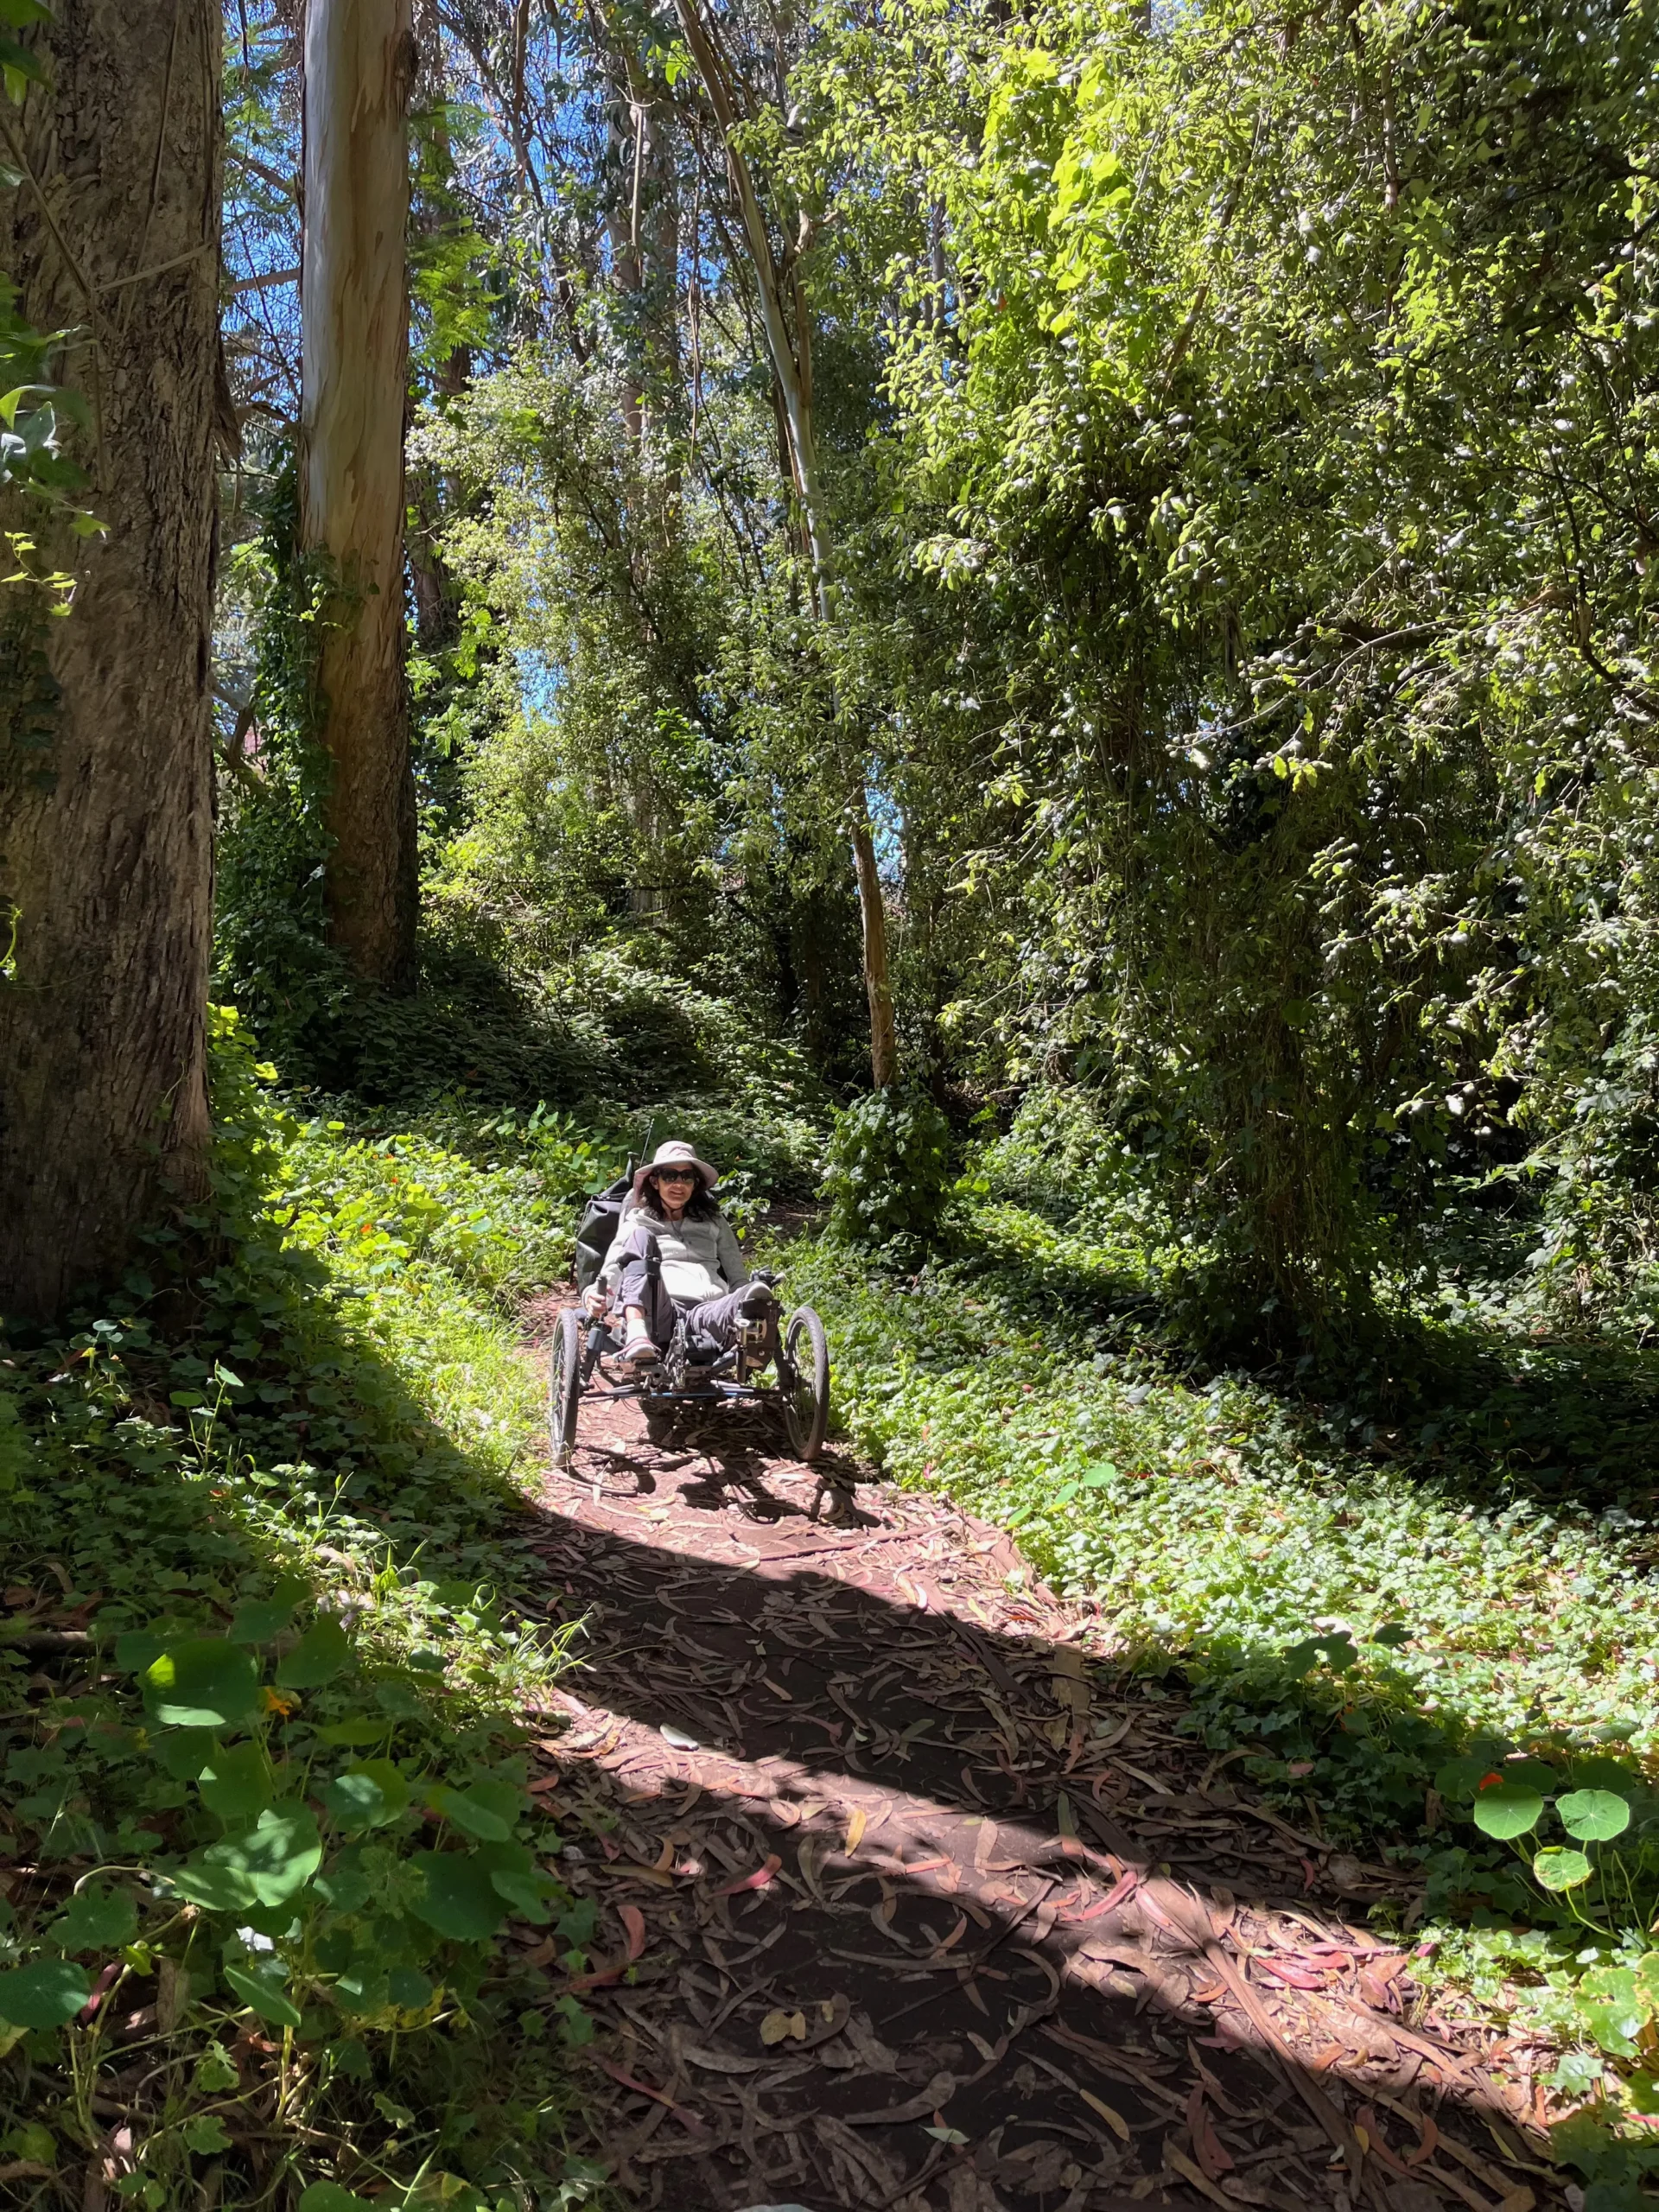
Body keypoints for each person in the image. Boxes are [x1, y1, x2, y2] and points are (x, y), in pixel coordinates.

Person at [592, 1141, 775, 1369]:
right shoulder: (638, 1221)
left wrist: (745, 1297)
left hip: (708, 1311)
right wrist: (595, 1296)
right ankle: (637, 1334)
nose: (679, 1184)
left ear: (694, 1184)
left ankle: (753, 1350)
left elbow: (736, 1274)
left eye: (687, 1177)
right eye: (669, 1176)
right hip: (660, 1310)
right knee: (640, 1237)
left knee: (753, 1292)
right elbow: (614, 1269)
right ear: (655, 1181)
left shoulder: (714, 1221)